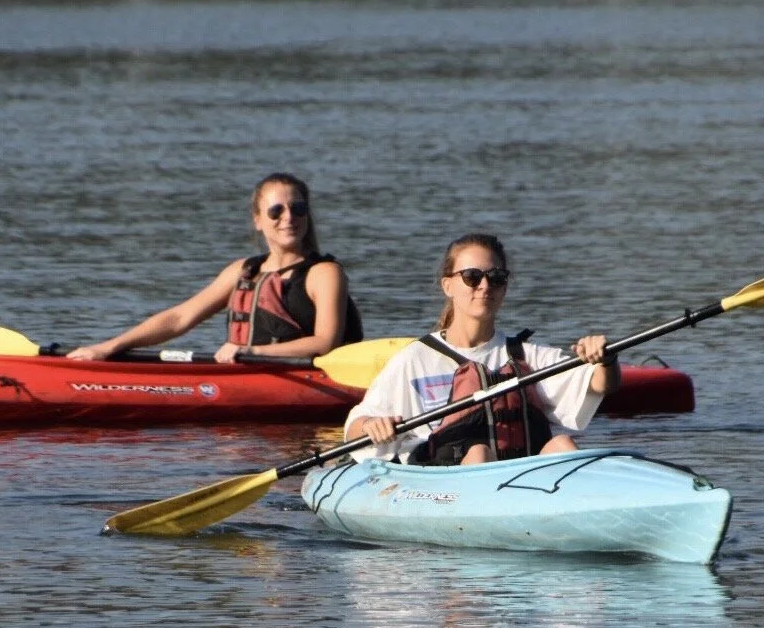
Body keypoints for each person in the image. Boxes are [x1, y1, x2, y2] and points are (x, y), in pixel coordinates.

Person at [345, 232, 618, 465]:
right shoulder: (414, 360)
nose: (485, 286)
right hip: (446, 484)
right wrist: (371, 425)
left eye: (496, 277)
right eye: (472, 277)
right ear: (448, 285)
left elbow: (601, 384)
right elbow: (355, 428)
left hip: (524, 483)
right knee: (478, 453)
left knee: (562, 443)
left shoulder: (526, 355)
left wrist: (605, 358)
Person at [66, 173, 363, 364]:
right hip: (245, 372)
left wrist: (252, 352)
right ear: (258, 220)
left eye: (298, 209)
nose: (289, 218)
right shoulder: (243, 271)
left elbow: (325, 343)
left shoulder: (323, 273)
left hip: (309, 379)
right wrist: (108, 348)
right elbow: (179, 318)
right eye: (276, 210)